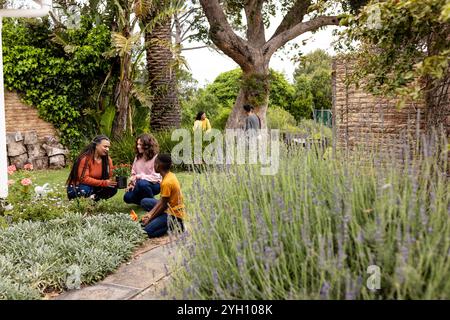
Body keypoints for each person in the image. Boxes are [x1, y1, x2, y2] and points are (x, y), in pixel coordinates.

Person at [140, 154, 186, 238]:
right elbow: (162, 200)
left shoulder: (167, 182)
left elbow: (163, 206)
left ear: (158, 165)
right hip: (168, 205)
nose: (153, 165)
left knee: (147, 231)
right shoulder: (169, 175)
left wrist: (150, 219)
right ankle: (162, 220)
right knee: (144, 201)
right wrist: (150, 213)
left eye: (154, 163)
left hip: (174, 213)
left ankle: (173, 225)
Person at [66, 135, 117, 200]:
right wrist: (104, 183)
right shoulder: (85, 159)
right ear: (96, 146)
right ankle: (88, 200)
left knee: (112, 188)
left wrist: (116, 180)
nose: (107, 149)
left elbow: (110, 175)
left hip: (95, 186)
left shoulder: (108, 160)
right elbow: (83, 179)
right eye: (105, 146)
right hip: (79, 187)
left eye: (108, 147)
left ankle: (94, 198)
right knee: (85, 190)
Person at [123, 134, 162, 208]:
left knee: (142, 183)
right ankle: (144, 202)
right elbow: (133, 173)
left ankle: (155, 205)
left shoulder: (156, 158)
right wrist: (131, 184)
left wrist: (139, 176)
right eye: (137, 144)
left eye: (140, 145)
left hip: (155, 185)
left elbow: (156, 178)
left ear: (147, 145)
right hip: (139, 185)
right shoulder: (137, 157)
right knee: (127, 197)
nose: (138, 146)